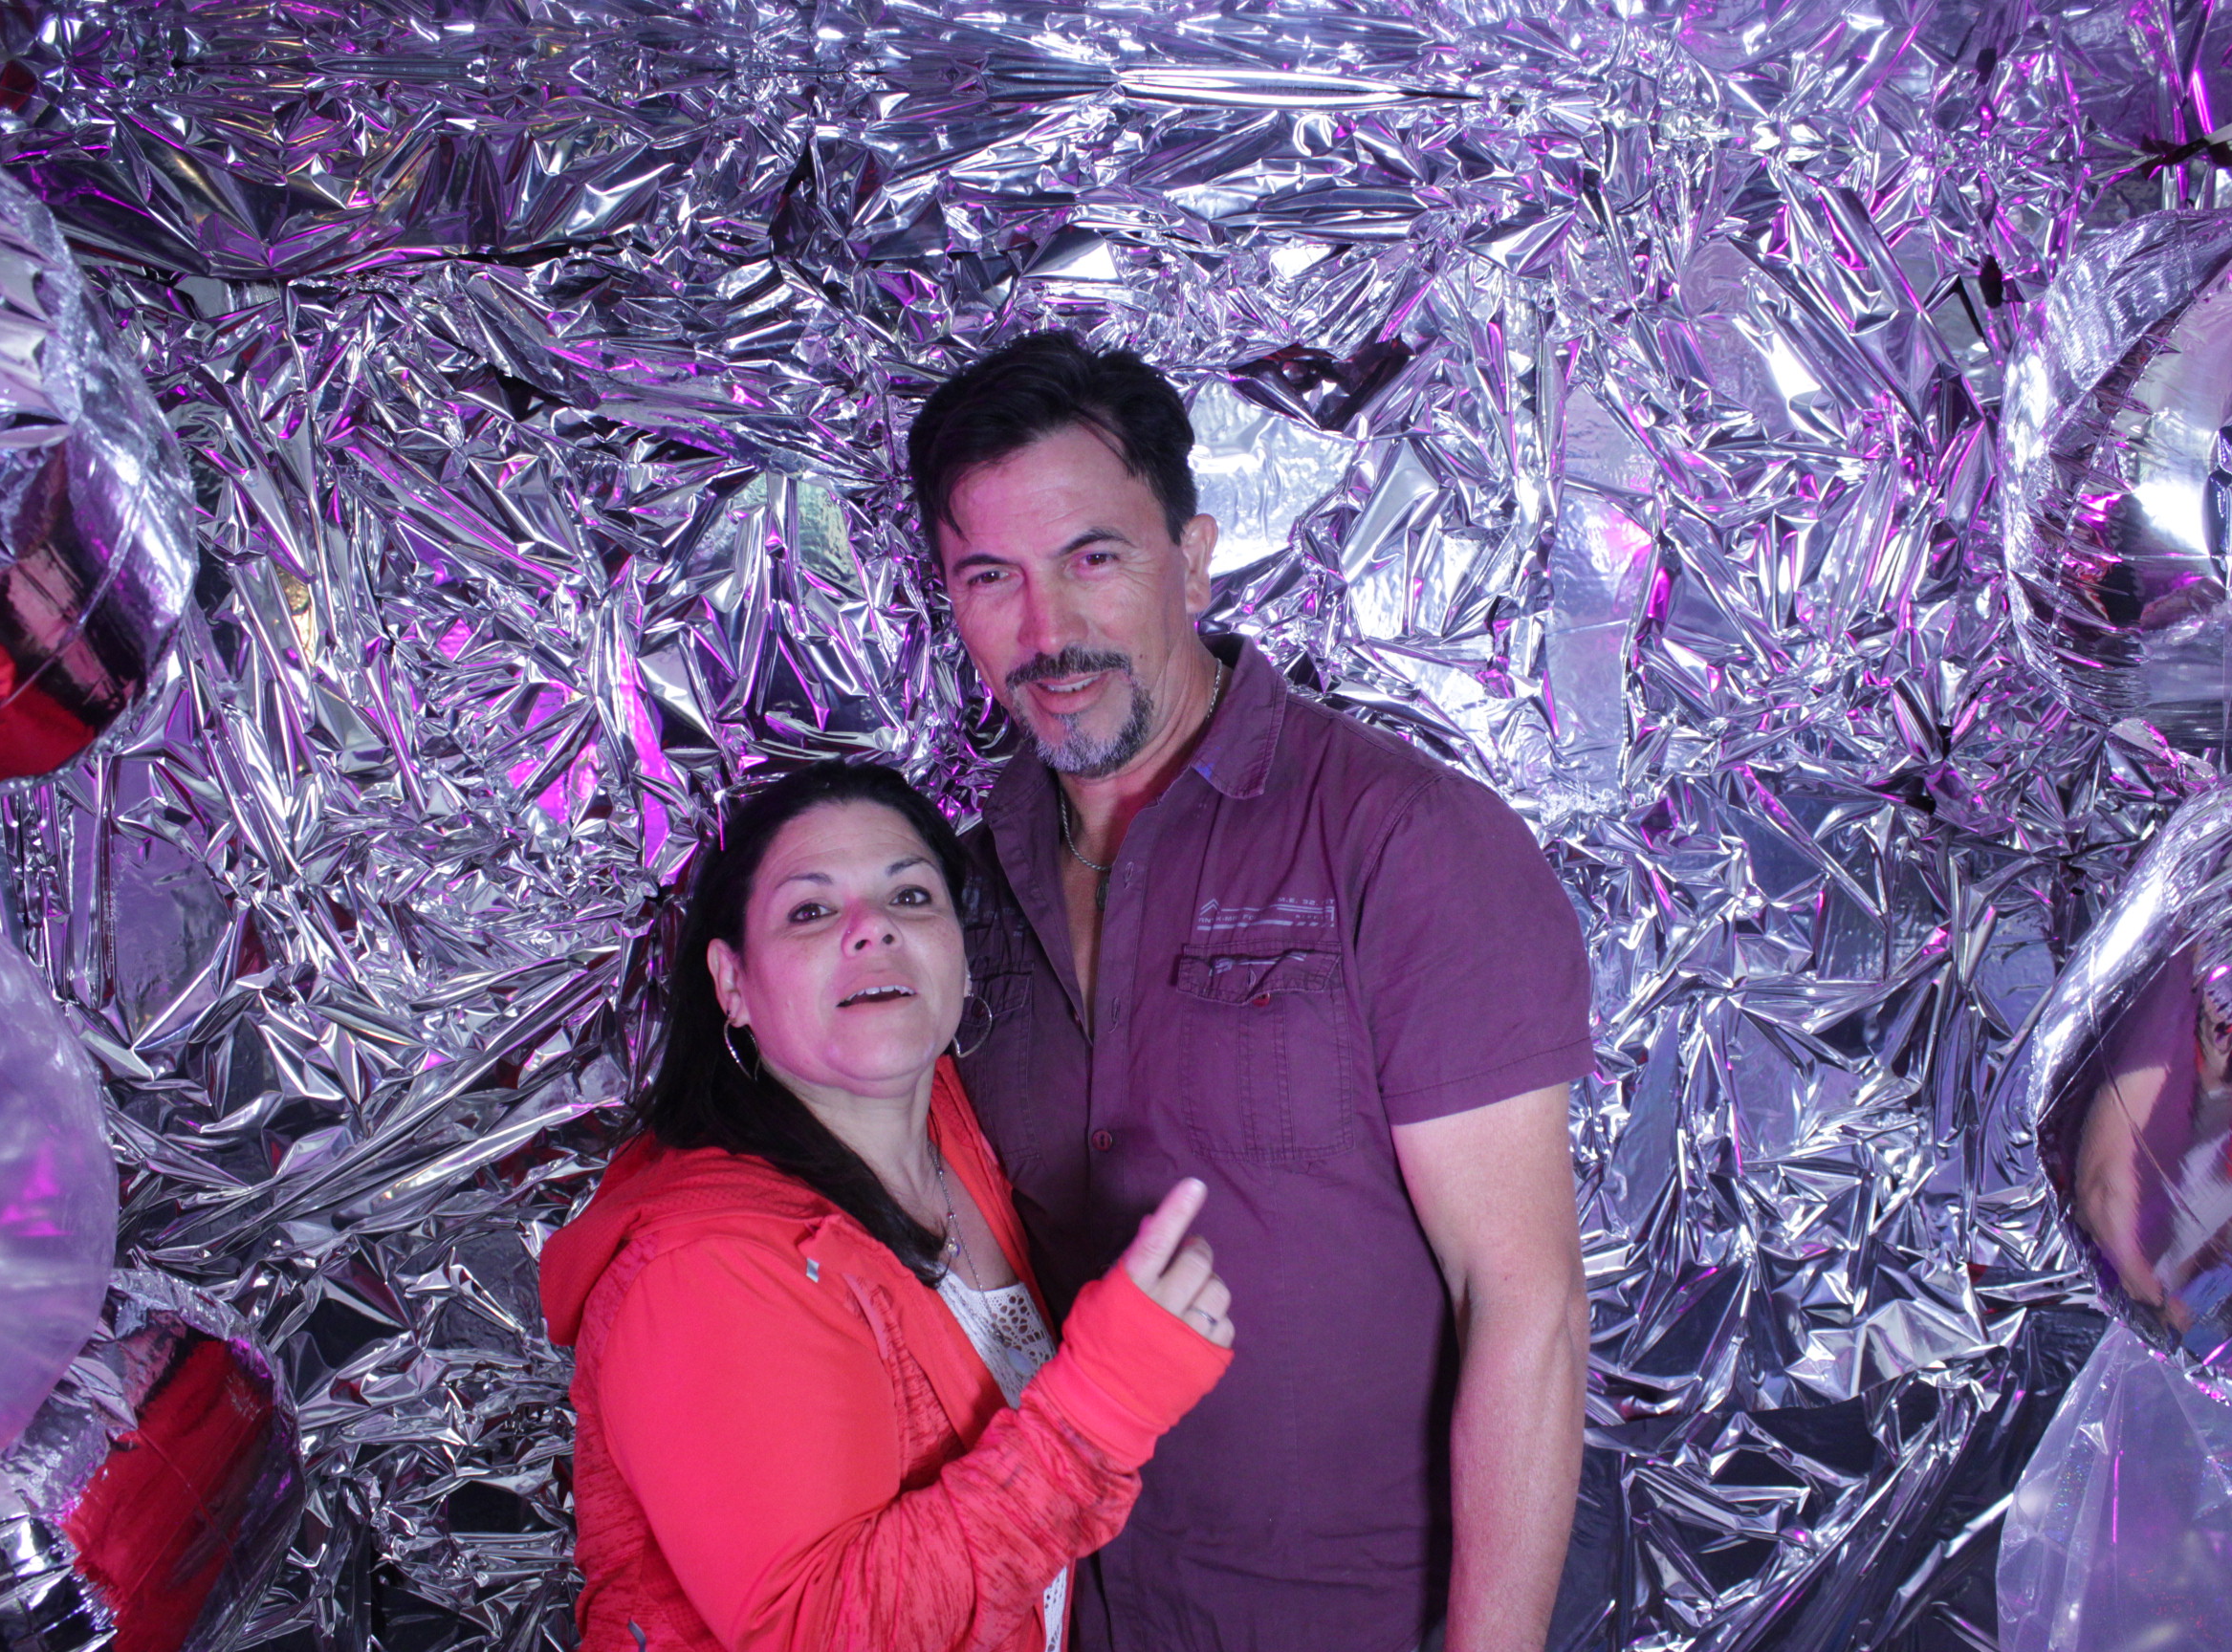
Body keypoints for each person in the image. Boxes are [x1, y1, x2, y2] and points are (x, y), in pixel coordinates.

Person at [908, 333, 1596, 1652]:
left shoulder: (1402, 840)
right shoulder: (957, 893)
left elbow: (1527, 1306)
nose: (1048, 635)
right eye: (991, 578)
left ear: (1194, 558)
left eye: (1093, 559)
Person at [539, 761, 1236, 1652]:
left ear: (959, 951)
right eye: (810, 910)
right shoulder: (705, 1267)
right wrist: (1105, 1404)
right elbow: (820, 1634)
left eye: (910, 896)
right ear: (732, 984)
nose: (873, 928)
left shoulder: (948, 1122)